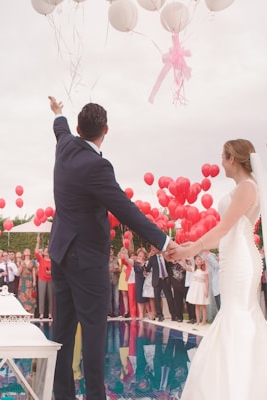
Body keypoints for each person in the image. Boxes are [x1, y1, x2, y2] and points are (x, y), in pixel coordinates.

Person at [46, 96, 178, 400]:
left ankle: (61, 395)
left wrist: (58, 112)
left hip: (60, 253)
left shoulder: (65, 146)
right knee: (93, 331)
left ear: (79, 128)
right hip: (86, 259)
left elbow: (59, 129)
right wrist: (164, 241)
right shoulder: (97, 165)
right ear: (106, 129)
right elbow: (126, 209)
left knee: (62, 332)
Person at [174, 139, 267, 399]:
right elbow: (222, 233)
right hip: (231, 256)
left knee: (240, 314)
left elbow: (225, 228)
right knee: (235, 313)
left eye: (222, 157)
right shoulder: (243, 187)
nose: (220, 162)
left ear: (232, 158)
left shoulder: (248, 188)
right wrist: (192, 246)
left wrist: (189, 249)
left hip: (240, 261)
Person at [185, 254, 210, 325]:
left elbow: (207, 281)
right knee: (197, 305)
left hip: (202, 287)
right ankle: (198, 320)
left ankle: (204, 321)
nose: (197, 261)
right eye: (196, 260)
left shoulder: (205, 271)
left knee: (203, 305)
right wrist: (183, 258)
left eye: (199, 259)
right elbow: (185, 267)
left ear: (202, 261)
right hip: (195, 288)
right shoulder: (194, 269)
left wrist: (206, 290)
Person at [35, 234, 53, 318]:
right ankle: (41, 313)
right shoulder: (41, 259)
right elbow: (36, 252)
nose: (46, 251)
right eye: (45, 250)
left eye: (48, 250)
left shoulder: (53, 261)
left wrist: (51, 272)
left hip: (51, 279)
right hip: (42, 279)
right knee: (41, 296)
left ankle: (50, 313)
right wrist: (38, 242)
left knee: (51, 297)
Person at [17, 248, 37, 314]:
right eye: (25, 250)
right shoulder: (22, 262)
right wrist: (21, 265)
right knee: (22, 296)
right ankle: (23, 313)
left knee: (30, 296)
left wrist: (34, 281)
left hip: (30, 281)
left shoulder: (33, 262)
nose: (27, 251)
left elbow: (34, 272)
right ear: (24, 253)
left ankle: (31, 313)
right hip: (22, 281)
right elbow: (18, 273)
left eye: (28, 250)